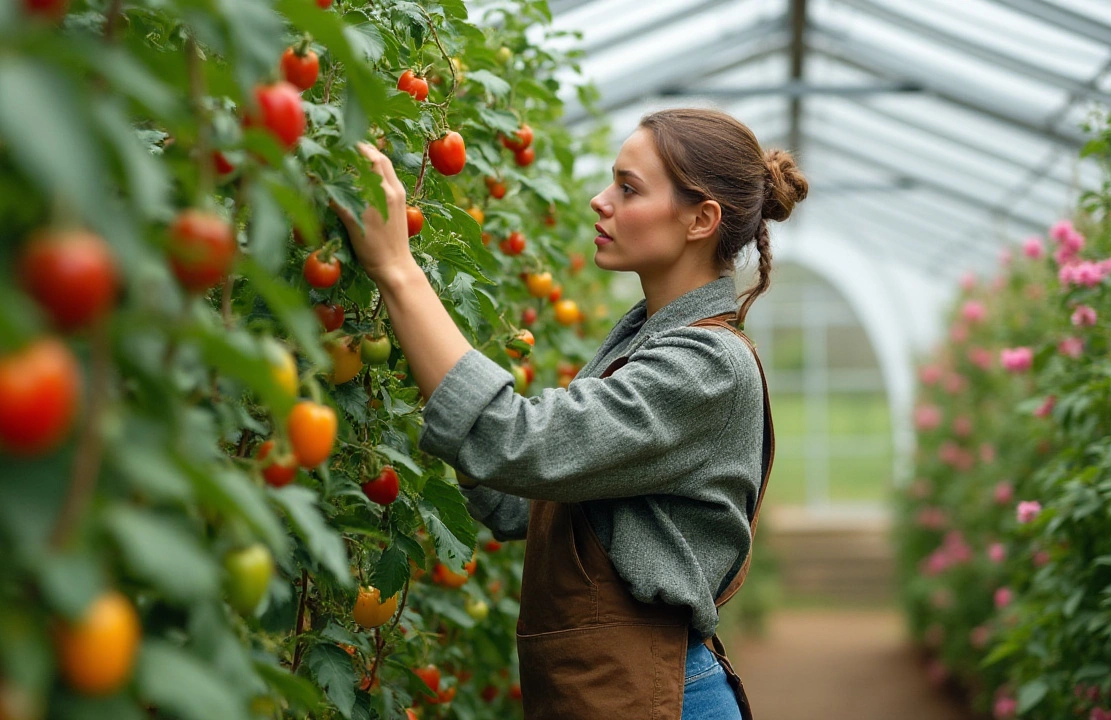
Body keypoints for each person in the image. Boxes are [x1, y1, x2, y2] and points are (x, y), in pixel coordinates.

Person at [334, 107, 808, 720]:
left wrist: (397, 270)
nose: (598, 200)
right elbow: (514, 500)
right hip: (617, 690)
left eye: (627, 188)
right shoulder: (641, 343)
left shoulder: (707, 366)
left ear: (700, 219)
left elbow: (513, 441)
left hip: (658, 699)